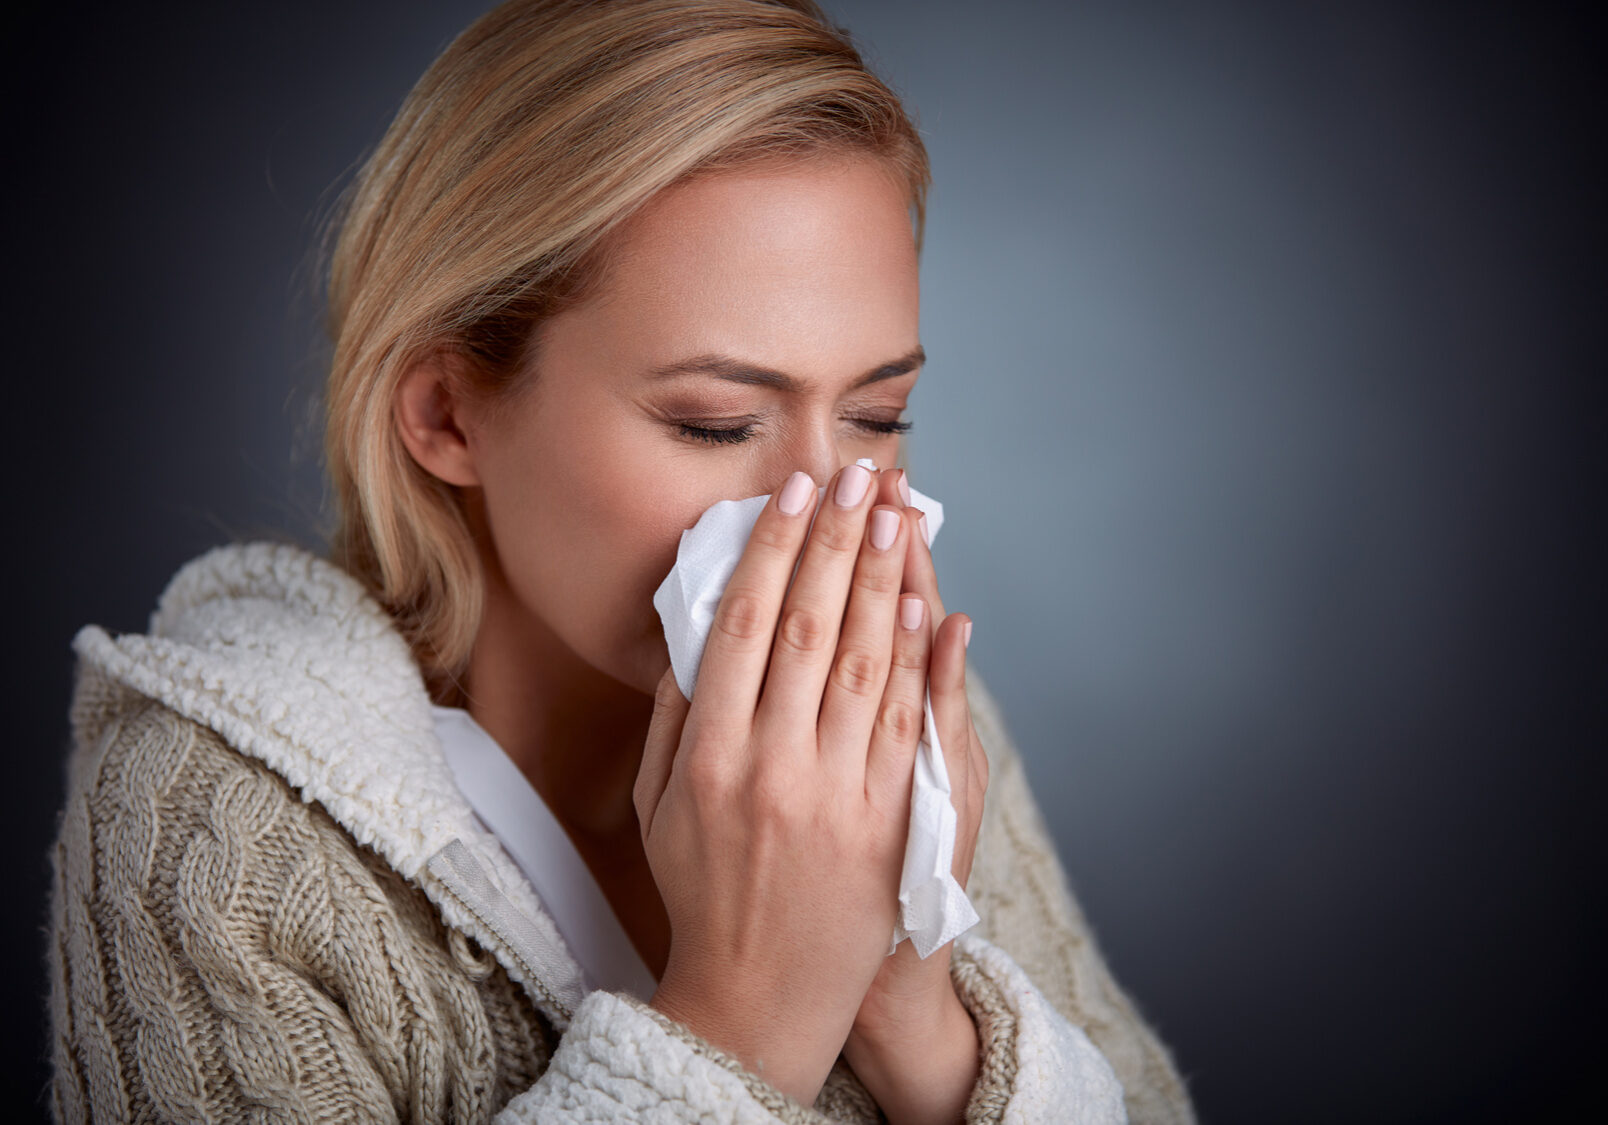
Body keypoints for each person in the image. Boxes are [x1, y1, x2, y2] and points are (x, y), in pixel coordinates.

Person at [45, 1, 1194, 1121]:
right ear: (448, 413)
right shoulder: (213, 823)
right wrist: (743, 1021)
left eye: (880, 415)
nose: (822, 508)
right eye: (712, 423)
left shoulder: (895, 729)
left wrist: (922, 1020)